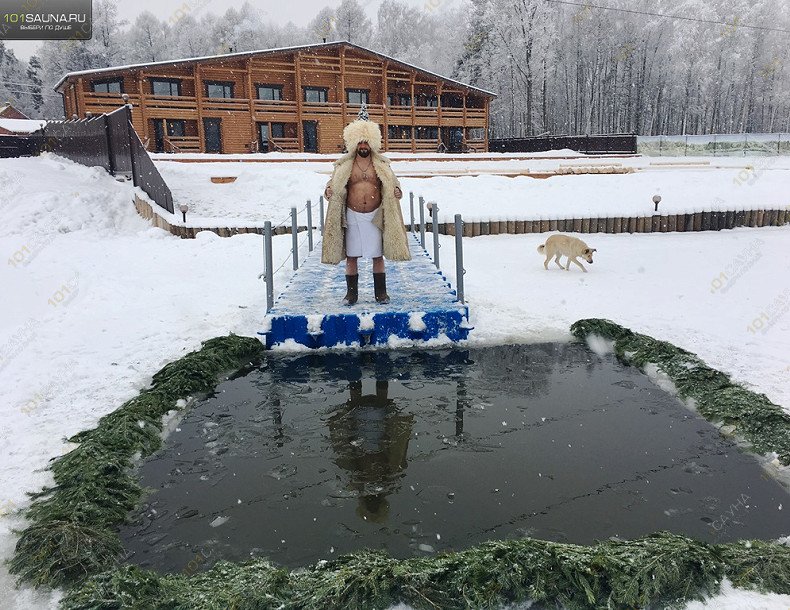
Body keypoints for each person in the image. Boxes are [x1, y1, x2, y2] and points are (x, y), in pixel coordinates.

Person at [321, 113, 410, 305]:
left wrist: (397, 191)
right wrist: (328, 190)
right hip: (352, 215)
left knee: (377, 256)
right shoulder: (345, 164)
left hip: (374, 216)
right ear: (354, 143)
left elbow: (393, 183)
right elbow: (333, 183)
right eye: (360, 142)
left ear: (372, 143)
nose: (363, 146)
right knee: (351, 257)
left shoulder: (382, 164)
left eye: (366, 143)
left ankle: (381, 293)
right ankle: (351, 294)